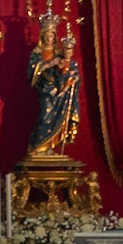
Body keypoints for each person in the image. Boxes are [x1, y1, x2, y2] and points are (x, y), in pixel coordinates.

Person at [26, 8, 82, 158]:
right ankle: (36, 147)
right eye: (46, 35)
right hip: (44, 90)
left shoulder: (59, 53)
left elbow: (69, 67)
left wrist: (73, 77)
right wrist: (48, 65)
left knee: (57, 119)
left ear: (54, 36)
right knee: (44, 117)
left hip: (59, 91)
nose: (49, 38)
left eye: (51, 35)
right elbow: (32, 72)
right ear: (42, 36)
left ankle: (48, 147)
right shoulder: (36, 53)